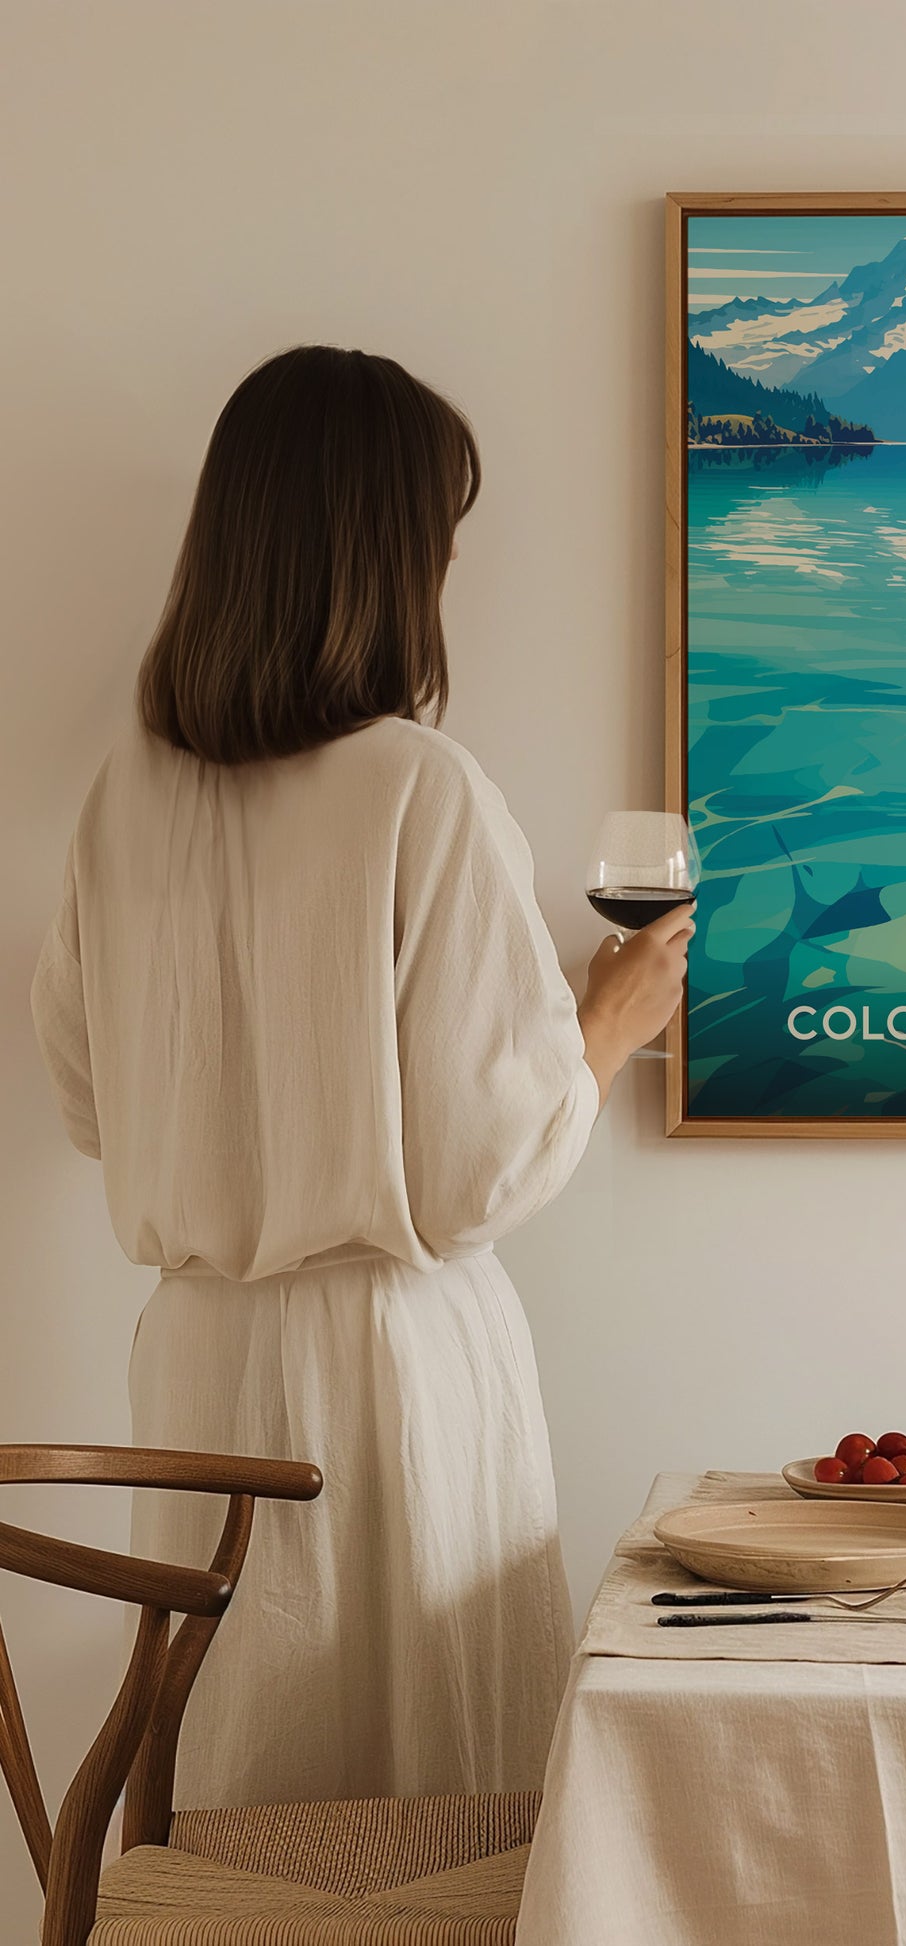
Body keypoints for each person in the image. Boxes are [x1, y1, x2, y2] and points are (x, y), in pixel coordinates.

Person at [29, 345, 688, 1806]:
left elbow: (87, 1101)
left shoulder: (124, 796)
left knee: (240, 1787)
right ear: (388, 556)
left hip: (198, 1361)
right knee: (423, 1809)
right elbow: (474, 1173)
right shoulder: (417, 786)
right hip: (390, 1372)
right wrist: (606, 1021)